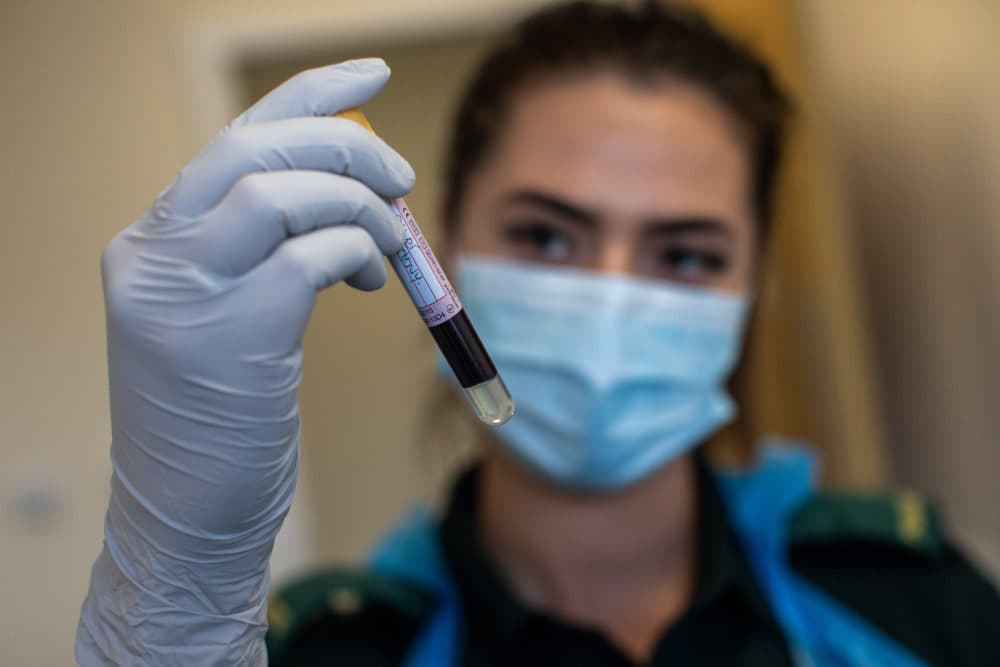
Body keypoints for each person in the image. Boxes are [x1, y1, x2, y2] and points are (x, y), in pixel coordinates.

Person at [77, 2, 1000, 665]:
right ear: (438, 239)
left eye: (684, 254)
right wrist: (173, 600)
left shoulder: (911, 601)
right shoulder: (334, 645)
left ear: (751, 280)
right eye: (548, 236)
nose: (608, 297)